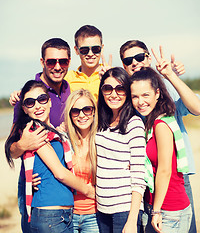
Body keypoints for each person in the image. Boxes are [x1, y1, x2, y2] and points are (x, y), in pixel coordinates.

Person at [120, 40, 200, 233]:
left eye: (139, 57)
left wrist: (170, 75)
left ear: (148, 58)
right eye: (128, 60)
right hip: (144, 181)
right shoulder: (129, 97)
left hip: (176, 179)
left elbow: (196, 108)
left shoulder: (164, 91)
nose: (135, 62)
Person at [5, 80, 95, 233]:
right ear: (25, 109)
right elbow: (60, 173)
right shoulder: (34, 132)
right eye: (30, 102)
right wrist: (89, 191)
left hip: (57, 215)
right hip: (51, 215)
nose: (38, 105)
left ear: (49, 102)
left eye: (42, 99)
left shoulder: (52, 131)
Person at [9, 38, 72, 232]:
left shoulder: (69, 88)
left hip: (62, 186)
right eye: (51, 61)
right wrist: (24, 145)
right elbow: (12, 148)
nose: (57, 66)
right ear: (42, 62)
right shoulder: (29, 95)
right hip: (36, 185)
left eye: (63, 61)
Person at [130, 67, 192, 232]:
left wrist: (156, 210)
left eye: (145, 95)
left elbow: (164, 170)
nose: (140, 102)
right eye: (135, 96)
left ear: (157, 93)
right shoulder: (148, 123)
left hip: (169, 210)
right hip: (157, 206)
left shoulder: (161, 124)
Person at [96, 67, 146, 233]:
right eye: (108, 88)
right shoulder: (101, 122)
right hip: (102, 209)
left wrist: (132, 220)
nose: (114, 94)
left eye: (120, 88)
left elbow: (139, 176)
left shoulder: (134, 124)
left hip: (124, 210)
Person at [63, 89, 99, 232]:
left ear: (94, 111)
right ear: (70, 114)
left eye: (87, 109)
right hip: (67, 215)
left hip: (94, 216)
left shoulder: (102, 140)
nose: (82, 115)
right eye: (76, 111)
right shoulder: (63, 141)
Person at [65, 24, 112, 101]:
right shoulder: (68, 78)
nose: (90, 54)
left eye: (96, 49)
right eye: (84, 50)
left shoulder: (113, 75)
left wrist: (110, 79)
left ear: (102, 48)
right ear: (76, 50)